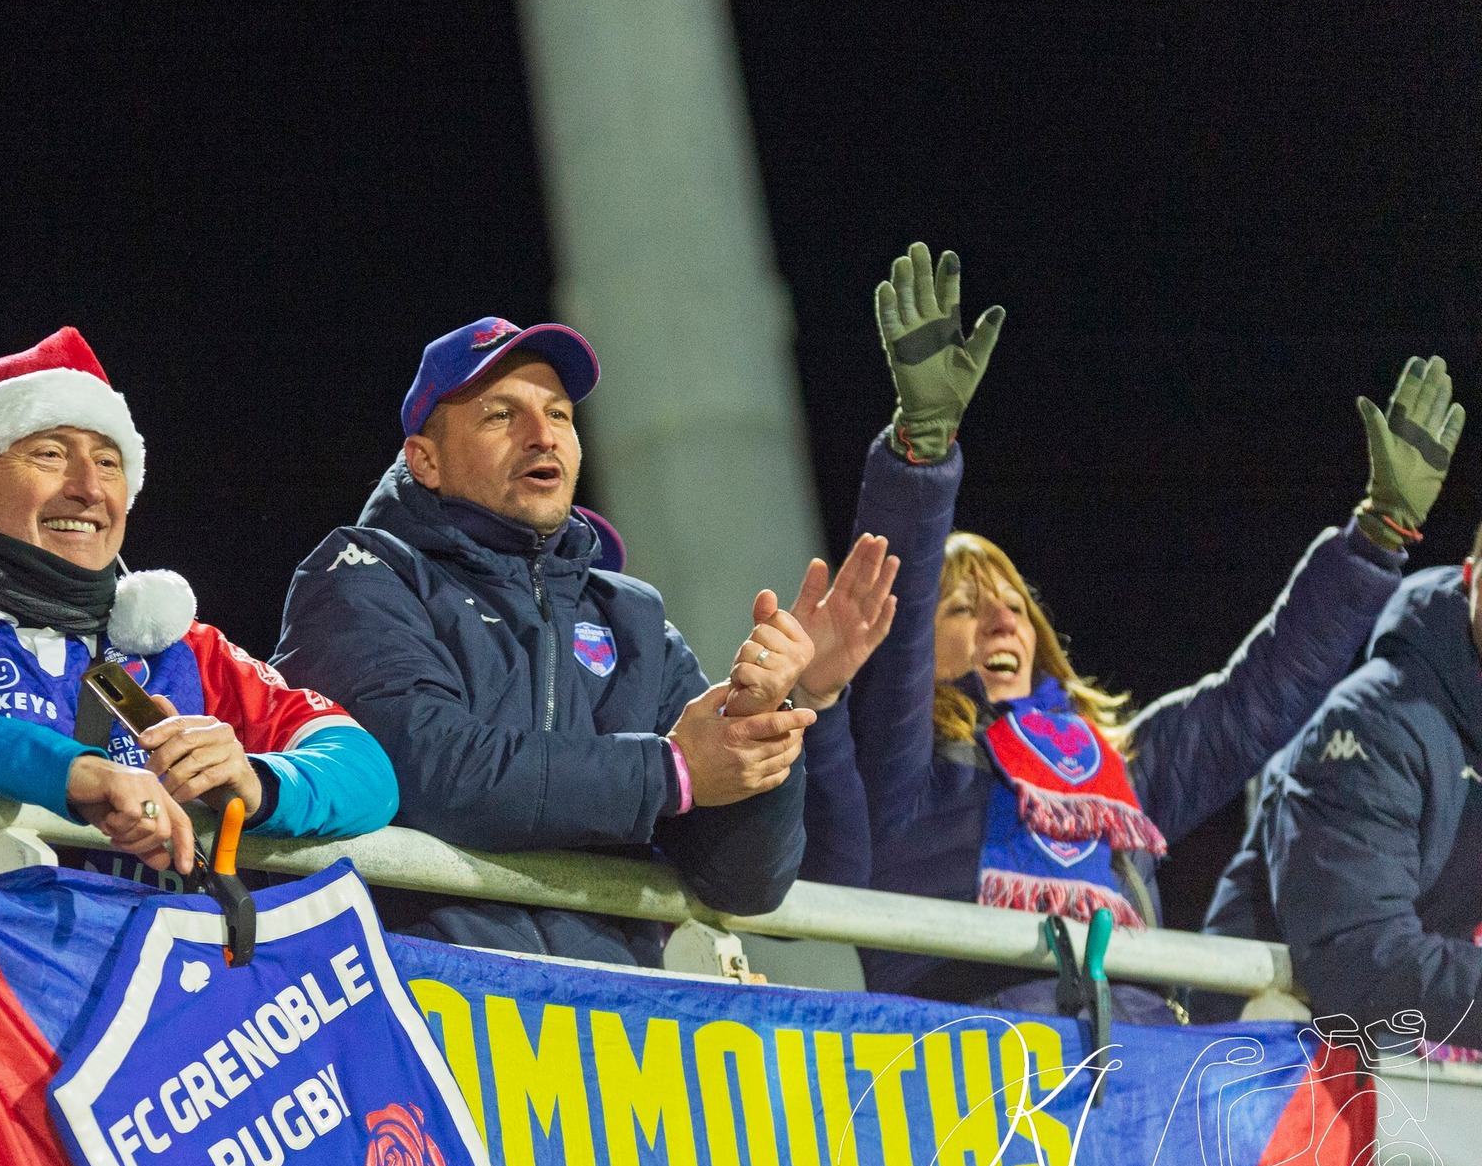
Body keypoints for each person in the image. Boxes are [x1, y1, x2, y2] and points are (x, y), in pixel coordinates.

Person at [838, 242, 1455, 1018]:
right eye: (963, 606)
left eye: (1015, 605)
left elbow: (1254, 698)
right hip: (973, 1072)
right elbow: (891, 621)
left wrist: (1377, 537)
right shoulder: (899, 767)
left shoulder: (1118, 770)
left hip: (1137, 1069)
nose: (1002, 618)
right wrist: (920, 457)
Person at [272, 316, 898, 968]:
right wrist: (671, 770)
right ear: (425, 460)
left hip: (601, 1019)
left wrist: (752, 733)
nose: (542, 434)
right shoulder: (362, 574)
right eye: (500, 415)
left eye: (560, 415)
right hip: (417, 1001)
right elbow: (430, 771)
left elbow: (743, 884)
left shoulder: (634, 620)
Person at [0, 326, 397, 883]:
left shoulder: (180, 647)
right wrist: (73, 772)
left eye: (108, 463)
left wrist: (257, 780)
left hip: (137, 959)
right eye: (50, 455)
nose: (88, 489)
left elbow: (366, 769)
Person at [1203, 520, 1482, 1051]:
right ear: (1470, 579)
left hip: (1406, 1045)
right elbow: (1360, 955)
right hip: (1269, 1042)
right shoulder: (1375, 722)